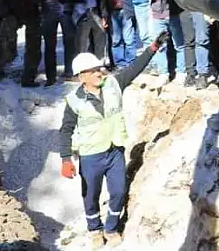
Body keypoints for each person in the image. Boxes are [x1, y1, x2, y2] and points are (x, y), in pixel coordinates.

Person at [58, 32, 168, 248]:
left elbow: (135, 68)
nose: (99, 73)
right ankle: (94, 230)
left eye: (99, 69)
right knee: (91, 196)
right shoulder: (73, 101)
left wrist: (153, 47)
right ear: (82, 77)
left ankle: (110, 227)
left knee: (118, 191)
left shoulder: (114, 84)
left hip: (114, 150)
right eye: (93, 71)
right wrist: (65, 159)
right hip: (90, 155)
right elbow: (65, 130)